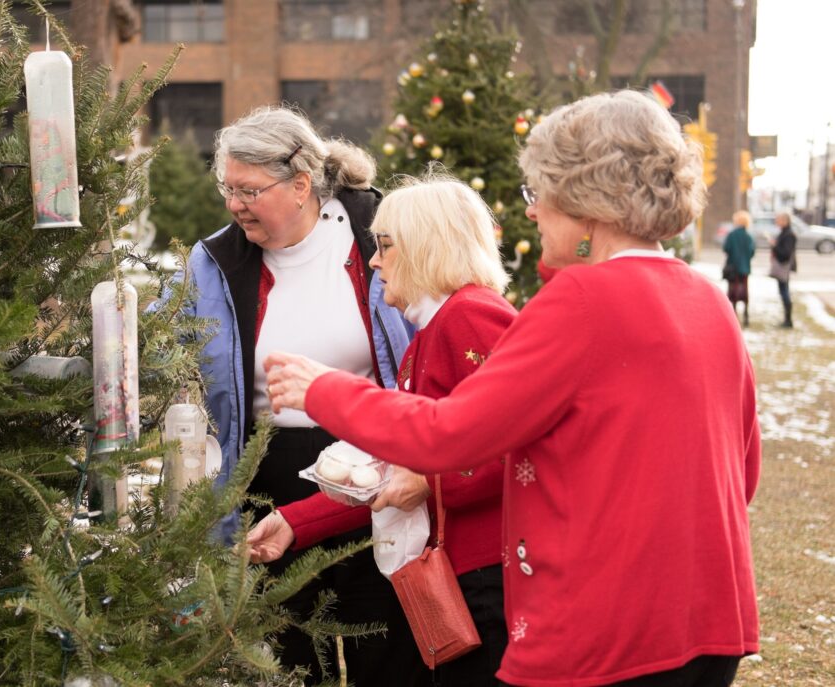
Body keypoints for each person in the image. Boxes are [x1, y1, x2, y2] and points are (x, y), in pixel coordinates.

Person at [263, 91, 761, 687]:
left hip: (603, 630)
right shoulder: (704, 298)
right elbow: (744, 469)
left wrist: (321, 388)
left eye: (539, 194)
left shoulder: (581, 301)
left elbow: (450, 434)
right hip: (705, 620)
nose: (531, 213)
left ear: (587, 203)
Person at [178, 105, 421, 686]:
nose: (234, 204)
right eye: (226, 188)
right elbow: (169, 350)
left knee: (382, 644)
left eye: (248, 190)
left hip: (373, 463)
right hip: (267, 469)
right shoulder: (213, 260)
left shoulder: (376, 234)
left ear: (301, 185)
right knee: (285, 659)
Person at [247, 173, 518, 686]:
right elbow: (393, 470)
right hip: (463, 579)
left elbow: (514, 444)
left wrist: (426, 480)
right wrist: (293, 523)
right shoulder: (433, 332)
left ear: (426, 246)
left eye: (386, 246)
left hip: (486, 579)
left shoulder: (471, 316)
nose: (374, 261)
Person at [723, 210, 756, 327]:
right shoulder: (749, 236)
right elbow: (752, 252)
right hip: (745, 267)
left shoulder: (732, 235)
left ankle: (734, 313)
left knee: (732, 290)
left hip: (733, 267)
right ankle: (746, 312)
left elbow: (726, 248)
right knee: (745, 290)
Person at [770, 212, 797, 328]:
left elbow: (785, 253)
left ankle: (788, 320)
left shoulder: (789, 234)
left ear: (785, 221)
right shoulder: (784, 233)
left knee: (785, 292)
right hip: (782, 266)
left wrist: (774, 246)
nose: (776, 221)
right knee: (783, 292)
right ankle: (787, 319)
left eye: (778, 219)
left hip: (784, 267)